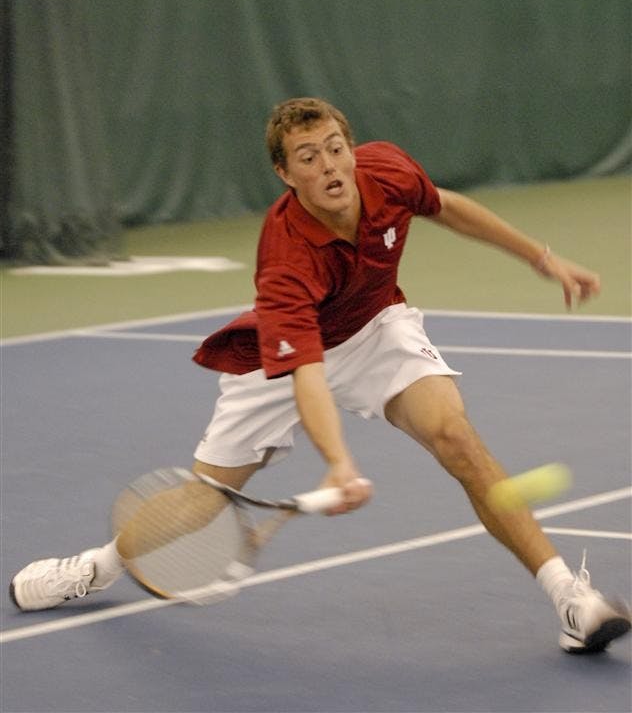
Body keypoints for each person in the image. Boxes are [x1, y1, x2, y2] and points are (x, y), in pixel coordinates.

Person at [10, 97, 630, 654]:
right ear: (285, 174)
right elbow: (307, 374)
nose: (330, 166)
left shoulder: (385, 171)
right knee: (203, 499)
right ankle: (97, 567)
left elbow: (446, 206)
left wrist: (540, 258)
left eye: (336, 148)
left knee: (457, 439)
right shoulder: (285, 258)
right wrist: (338, 462)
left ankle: (568, 599)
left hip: (377, 328)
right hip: (284, 364)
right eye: (309, 157)